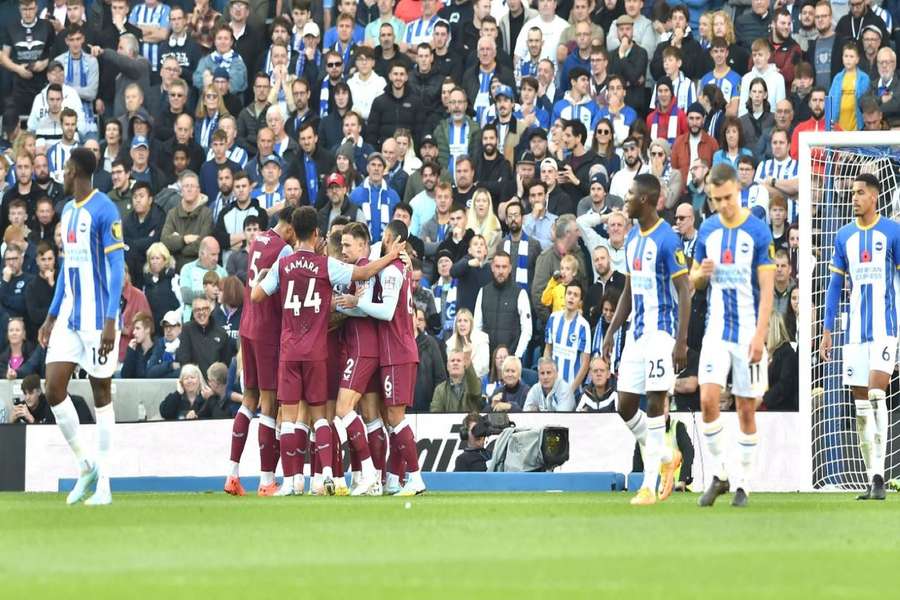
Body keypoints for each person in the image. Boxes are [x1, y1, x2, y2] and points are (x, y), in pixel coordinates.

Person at [253, 207, 407, 496]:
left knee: (289, 417)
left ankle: (291, 482)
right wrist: (390, 256)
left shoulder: (283, 264)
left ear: (293, 233)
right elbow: (363, 271)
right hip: (316, 350)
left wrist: (266, 278)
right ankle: (327, 476)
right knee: (321, 415)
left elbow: (256, 295)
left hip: (289, 348)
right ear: (316, 234)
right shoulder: (325, 265)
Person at [37, 147, 125, 506]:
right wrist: (51, 314)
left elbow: (117, 268)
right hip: (70, 316)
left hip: (97, 319)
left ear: (77, 171)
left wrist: (109, 321)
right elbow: (66, 267)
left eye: (67, 167)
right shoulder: (67, 211)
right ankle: (85, 464)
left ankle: (104, 481)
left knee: (100, 393)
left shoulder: (105, 209)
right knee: (53, 388)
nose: (63, 172)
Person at [602, 173, 691, 506]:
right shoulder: (633, 240)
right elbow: (628, 289)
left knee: (655, 405)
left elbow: (685, 291)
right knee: (624, 405)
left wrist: (681, 342)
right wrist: (612, 331)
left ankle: (648, 486)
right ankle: (667, 454)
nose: (626, 199)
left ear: (646, 200)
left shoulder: (667, 240)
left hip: (662, 333)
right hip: (636, 335)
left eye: (630, 194)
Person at [691, 163, 775, 508]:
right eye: (716, 199)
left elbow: (767, 290)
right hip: (715, 330)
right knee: (708, 400)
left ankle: (743, 482)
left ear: (738, 191)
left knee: (745, 409)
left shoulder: (757, 232)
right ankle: (722, 473)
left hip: (747, 332)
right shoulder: (707, 230)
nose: (723, 204)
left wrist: (760, 335)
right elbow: (695, 280)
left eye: (727, 197)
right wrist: (701, 274)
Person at [334, 219, 426, 496]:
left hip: (397, 350)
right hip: (392, 351)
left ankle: (413, 477)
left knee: (395, 418)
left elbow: (385, 312)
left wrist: (354, 302)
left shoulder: (392, 272)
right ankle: (394, 479)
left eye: (385, 237)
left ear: (393, 239)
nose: (381, 241)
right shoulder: (394, 266)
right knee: (388, 418)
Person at [818, 173, 896, 501]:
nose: (854, 198)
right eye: (852, 193)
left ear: (874, 198)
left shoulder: (893, 232)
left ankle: (880, 475)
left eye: (861, 193)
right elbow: (835, 285)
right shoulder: (844, 235)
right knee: (862, 407)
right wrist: (826, 329)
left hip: (885, 329)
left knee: (878, 394)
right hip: (853, 334)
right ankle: (873, 477)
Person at [544, 282, 592, 393]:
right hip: (552, 387)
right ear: (565, 296)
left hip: (571, 389)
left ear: (580, 302)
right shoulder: (553, 318)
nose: (571, 297)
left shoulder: (583, 326)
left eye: (575, 295)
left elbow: (585, 363)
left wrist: (571, 390)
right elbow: (548, 350)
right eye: (569, 293)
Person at [8, 374, 93, 424]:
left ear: (39, 391)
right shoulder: (22, 407)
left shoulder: (50, 404)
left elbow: (49, 433)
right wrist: (11, 422)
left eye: (30, 393)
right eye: (25, 393)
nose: (27, 397)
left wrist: (31, 419)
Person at [122, 311, 155, 378]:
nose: (134, 332)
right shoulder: (134, 350)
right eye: (134, 329)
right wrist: (130, 352)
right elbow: (125, 375)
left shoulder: (158, 349)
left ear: (147, 329)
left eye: (137, 328)